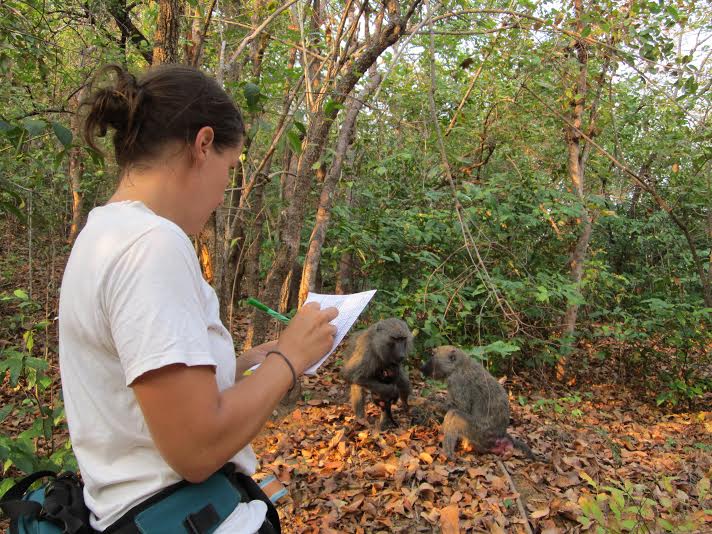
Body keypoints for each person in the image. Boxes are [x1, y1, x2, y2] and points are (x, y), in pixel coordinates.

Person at [58, 63, 338, 533]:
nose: (224, 191)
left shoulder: (103, 233)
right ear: (203, 144)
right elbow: (197, 450)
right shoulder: (151, 244)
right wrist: (288, 360)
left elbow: (140, 393)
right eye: (230, 168)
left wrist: (241, 363)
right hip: (183, 515)